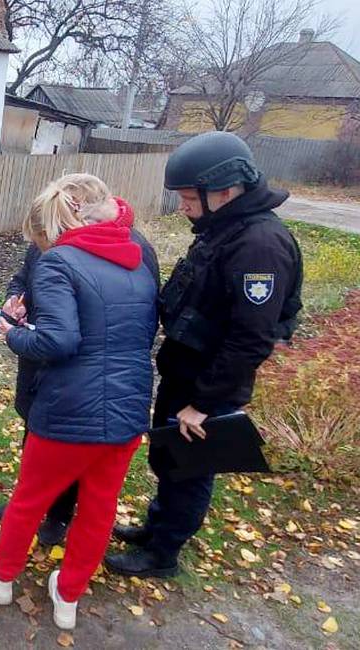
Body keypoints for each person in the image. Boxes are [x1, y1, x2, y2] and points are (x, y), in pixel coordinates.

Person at [105, 131, 303, 578]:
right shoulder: (226, 228)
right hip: (187, 372)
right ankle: (157, 528)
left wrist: (204, 404)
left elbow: (251, 338)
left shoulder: (259, 245)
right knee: (170, 461)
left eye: (190, 198)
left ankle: (163, 554)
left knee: (190, 470)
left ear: (224, 190)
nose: (183, 207)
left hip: (208, 386)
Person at [0, 174, 158, 631]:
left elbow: (60, 340)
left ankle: (1, 576)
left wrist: (13, 334)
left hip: (68, 412)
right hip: (127, 412)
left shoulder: (59, 262)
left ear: (51, 228)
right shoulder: (138, 258)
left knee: (29, 499)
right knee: (99, 509)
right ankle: (69, 594)